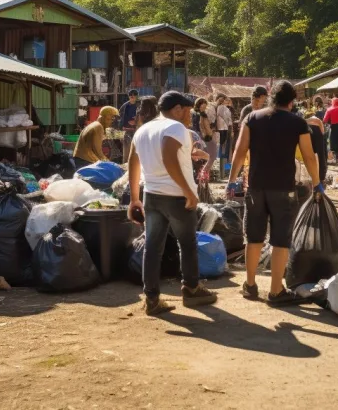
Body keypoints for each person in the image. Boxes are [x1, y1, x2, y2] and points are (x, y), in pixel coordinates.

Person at [227, 81, 322, 305]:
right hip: (283, 189)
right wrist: (317, 183)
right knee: (281, 239)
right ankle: (276, 290)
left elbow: (240, 151)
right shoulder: (298, 122)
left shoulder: (252, 118)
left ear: (271, 97)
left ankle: (250, 285)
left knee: (254, 237)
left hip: (256, 188)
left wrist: (231, 181)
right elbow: (309, 156)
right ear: (291, 101)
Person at [128, 91, 217, 316]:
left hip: (152, 195)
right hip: (177, 196)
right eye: (188, 112)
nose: (190, 117)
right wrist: (188, 191)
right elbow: (168, 156)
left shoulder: (144, 129)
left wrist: (134, 198)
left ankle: (152, 299)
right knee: (187, 244)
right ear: (177, 109)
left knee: (153, 247)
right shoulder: (176, 127)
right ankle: (191, 288)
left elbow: (133, 161)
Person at [215, 94, 233, 173]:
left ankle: (225, 170)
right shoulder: (222, 108)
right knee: (224, 151)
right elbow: (229, 122)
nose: (228, 102)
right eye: (226, 100)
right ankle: (224, 171)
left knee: (226, 152)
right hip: (224, 131)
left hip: (224, 131)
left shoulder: (228, 109)